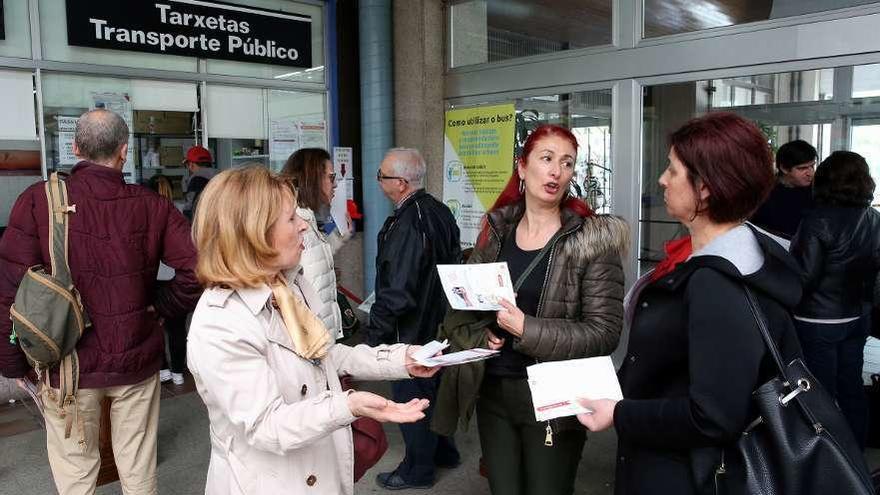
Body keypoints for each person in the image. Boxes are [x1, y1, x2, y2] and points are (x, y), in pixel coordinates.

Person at [576, 112, 805, 495]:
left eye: (673, 170)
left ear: (705, 188)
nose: (662, 179)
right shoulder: (744, 254)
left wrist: (618, 413)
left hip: (687, 475)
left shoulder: (718, 282)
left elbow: (714, 415)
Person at [186, 165, 438, 495]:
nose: (304, 224)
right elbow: (267, 426)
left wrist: (401, 359)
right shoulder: (221, 323)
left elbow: (324, 354)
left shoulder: (288, 286)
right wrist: (349, 406)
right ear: (253, 233)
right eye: (291, 218)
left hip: (317, 469)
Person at [0, 109, 201, 495]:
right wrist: (160, 305)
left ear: (74, 148)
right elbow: (197, 269)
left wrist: (13, 363)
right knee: (138, 466)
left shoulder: (37, 202)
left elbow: (8, 290)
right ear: (124, 152)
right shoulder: (152, 205)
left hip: (67, 364)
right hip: (137, 361)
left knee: (76, 473)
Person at [433, 124, 628, 495]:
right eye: (547, 158)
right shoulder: (497, 230)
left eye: (567, 163)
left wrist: (527, 328)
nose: (557, 171)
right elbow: (463, 310)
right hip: (494, 389)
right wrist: (482, 334)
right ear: (522, 167)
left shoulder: (591, 241)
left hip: (555, 396)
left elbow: (605, 332)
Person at [368, 148, 462, 490]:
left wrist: (374, 336)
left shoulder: (408, 222)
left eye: (382, 176)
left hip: (410, 332)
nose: (378, 182)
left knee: (412, 401)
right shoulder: (438, 211)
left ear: (401, 182)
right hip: (439, 323)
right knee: (433, 392)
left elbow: (398, 291)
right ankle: (445, 452)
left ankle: (416, 470)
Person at [789, 150, 880, 448]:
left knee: (819, 392)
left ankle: (826, 461)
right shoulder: (874, 218)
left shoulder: (817, 221)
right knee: (851, 387)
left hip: (818, 321)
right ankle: (855, 453)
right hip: (857, 316)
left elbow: (804, 278)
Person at [281, 148, 351, 339]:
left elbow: (313, 260)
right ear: (313, 178)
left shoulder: (306, 217)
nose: (335, 184)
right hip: (310, 340)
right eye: (331, 177)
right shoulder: (292, 223)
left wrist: (339, 236)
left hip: (320, 336)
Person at [147, 174, 190, 386]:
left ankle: (162, 369)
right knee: (177, 328)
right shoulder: (178, 212)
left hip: (154, 279)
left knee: (154, 326)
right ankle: (178, 371)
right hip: (177, 278)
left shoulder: (144, 214)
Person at [750, 139, 817, 239]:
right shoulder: (763, 195)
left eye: (812, 166)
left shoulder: (818, 192)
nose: (810, 173)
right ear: (784, 168)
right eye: (802, 168)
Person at [182, 144, 217, 219]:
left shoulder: (196, 180)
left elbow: (190, 209)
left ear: (191, 165)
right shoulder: (222, 176)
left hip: (205, 225)